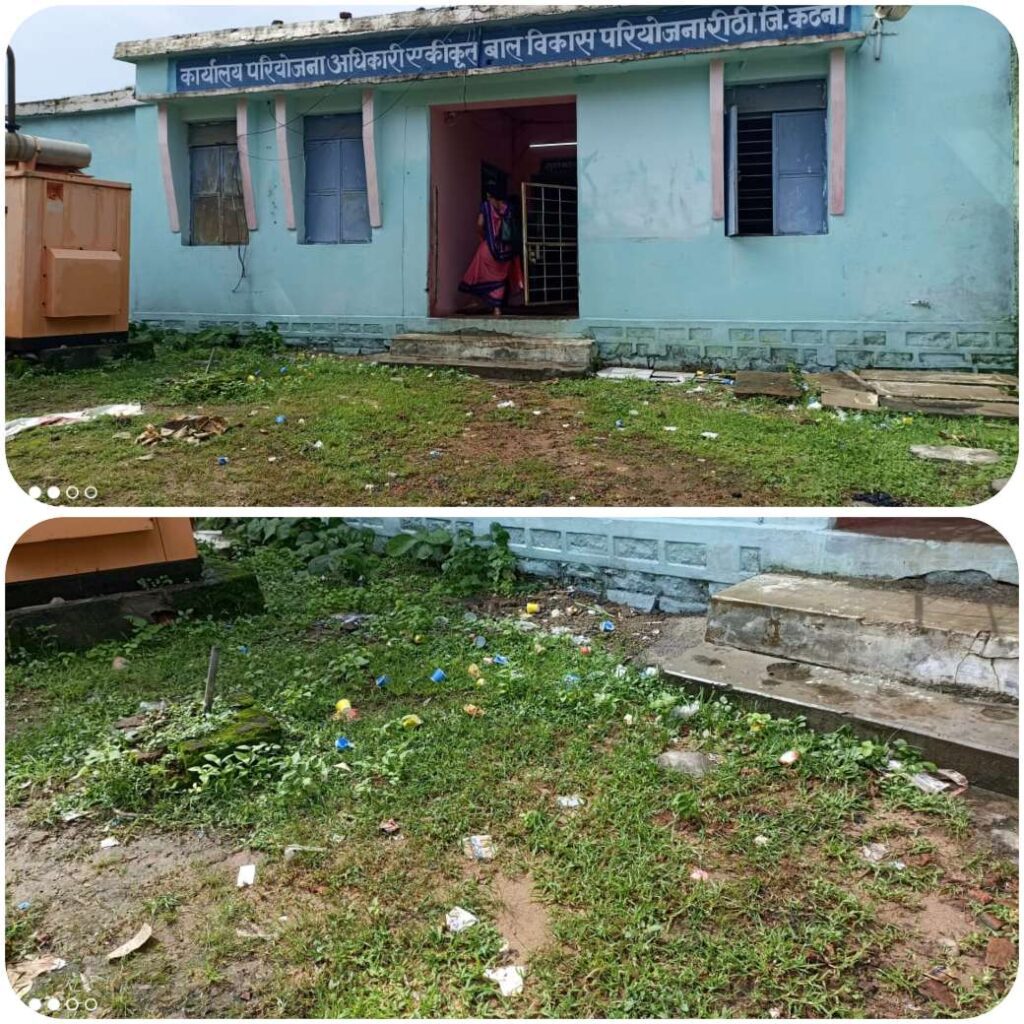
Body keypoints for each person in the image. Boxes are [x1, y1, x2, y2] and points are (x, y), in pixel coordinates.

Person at [459, 192, 523, 316]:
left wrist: (484, 238)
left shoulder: (486, 207)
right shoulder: (509, 208)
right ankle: (496, 308)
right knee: (500, 279)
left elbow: (479, 225)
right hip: (507, 251)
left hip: (490, 248)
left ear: (489, 195)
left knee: (477, 274)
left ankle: (475, 300)